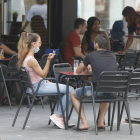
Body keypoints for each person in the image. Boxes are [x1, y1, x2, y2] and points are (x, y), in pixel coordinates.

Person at [17, 32, 75, 129]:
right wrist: (48, 61)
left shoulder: (25, 58)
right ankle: (59, 116)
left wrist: (48, 81)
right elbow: (43, 74)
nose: (40, 45)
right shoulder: (31, 60)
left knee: (64, 90)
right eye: (39, 42)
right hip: (38, 87)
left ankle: (61, 117)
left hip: (35, 86)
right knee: (70, 89)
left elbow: (36, 77)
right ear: (33, 44)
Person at [71, 34, 117, 131]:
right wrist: (91, 71)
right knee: (106, 88)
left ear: (96, 44)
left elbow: (78, 71)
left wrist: (84, 68)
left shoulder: (90, 55)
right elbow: (103, 71)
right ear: (107, 45)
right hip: (113, 93)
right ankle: (101, 121)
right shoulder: (113, 56)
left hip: (97, 92)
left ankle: (84, 123)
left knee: (73, 94)